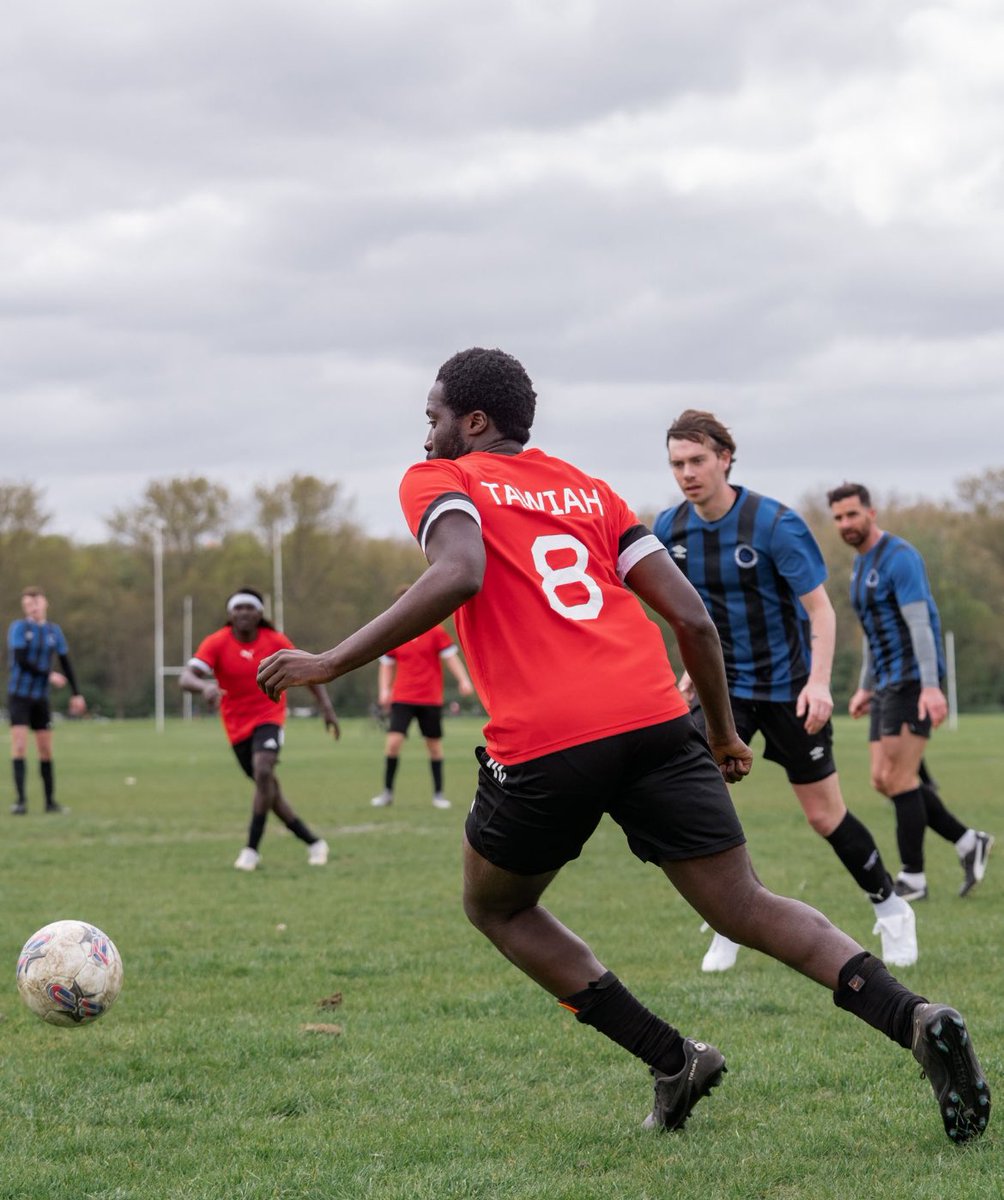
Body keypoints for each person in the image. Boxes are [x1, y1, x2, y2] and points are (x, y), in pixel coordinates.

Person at [257, 348, 989, 1144]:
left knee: (497, 906)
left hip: (547, 738)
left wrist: (328, 661)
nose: (425, 432)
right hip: (654, 720)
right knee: (746, 903)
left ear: (474, 421)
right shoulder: (590, 490)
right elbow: (693, 619)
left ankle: (672, 1058)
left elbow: (461, 571)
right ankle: (914, 1017)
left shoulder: (441, 478)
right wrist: (719, 734)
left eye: (433, 417)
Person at [653, 412, 916, 972]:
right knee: (701, 805)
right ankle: (730, 919)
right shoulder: (669, 529)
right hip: (724, 690)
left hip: (789, 688)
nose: (687, 473)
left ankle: (892, 908)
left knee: (824, 816)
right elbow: (684, 613)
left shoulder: (775, 524)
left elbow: (820, 611)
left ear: (725, 458)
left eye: (697, 460)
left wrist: (819, 683)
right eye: (677, 464)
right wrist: (690, 669)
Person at [828, 483, 993, 901]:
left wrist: (932, 687)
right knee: (883, 779)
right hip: (885, 683)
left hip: (913, 680)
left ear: (871, 513)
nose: (845, 523)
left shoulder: (900, 558)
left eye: (852, 514)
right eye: (838, 517)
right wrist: (865, 687)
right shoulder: (859, 565)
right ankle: (968, 841)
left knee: (899, 778)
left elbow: (920, 625)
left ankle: (913, 879)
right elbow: (871, 633)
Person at [180, 588, 339, 872]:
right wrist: (204, 686)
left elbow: (308, 671)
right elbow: (186, 677)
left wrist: (326, 708)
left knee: (264, 771)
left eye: (249, 607)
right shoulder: (217, 642)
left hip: (269, 716)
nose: (243, 612)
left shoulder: (275, 641)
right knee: (269, 791)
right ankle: (314, 842)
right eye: (238, 607)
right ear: (230, 614)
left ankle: (251, 850)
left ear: (259, 613)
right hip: (236, 727)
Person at [372, 585, 475, 810]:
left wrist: (464, 680)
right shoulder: (395, 634)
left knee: (434, 747)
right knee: (393, 743)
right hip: (403, 697)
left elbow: (451, 658)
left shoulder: (435, 631)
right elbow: (386, 665)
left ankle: (438, 795)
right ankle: (387, 793)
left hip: (430, 699)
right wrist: (384, 690)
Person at [7, 586, 87, 814]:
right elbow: (21, 660)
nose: (32, 608)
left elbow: (66, 662)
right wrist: (48, 675)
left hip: (41, 698)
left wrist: (76, 693)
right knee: (19, 746)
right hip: (19, 696)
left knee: (45, 749)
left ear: (45, 603)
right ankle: (21, 801)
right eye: (27, 605)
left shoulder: (54, 631)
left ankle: (50, 802)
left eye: (35, 603)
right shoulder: (19, 628)